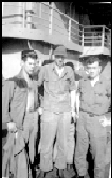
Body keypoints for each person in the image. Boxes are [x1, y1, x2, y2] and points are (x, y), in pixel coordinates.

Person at [38, 45, 76, 178]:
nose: (60, 59)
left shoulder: (69, 70)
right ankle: (44, 167)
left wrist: (72, 111)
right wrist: (41, 104)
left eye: (62, 56)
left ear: (65, 57)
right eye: (58, 56)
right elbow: (37, 86)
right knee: (46, 142)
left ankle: (60, 167)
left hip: (65, 112)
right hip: (49, 112)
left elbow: (72, 90)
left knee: (63, 142)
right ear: (54, 56)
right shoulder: (45, 69)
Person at [2, 50, 39, 178]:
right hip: (18, 123)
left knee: (31, 152)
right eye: (29, 63)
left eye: (34, 64)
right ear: (21, 63)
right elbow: (4, 105)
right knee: (17, 155)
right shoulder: (12, 81)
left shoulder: (34, 82)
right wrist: (8, 123)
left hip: (33, 121)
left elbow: (35, 100)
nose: (32, 66)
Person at [74, 56, 111, 178]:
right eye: (89, 68)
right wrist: (77, 113)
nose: (91, 71)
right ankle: (81, 173)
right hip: (83, 119)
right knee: (80, 149)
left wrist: (109, 120)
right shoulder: (83, 81)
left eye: (94, 68)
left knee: (98, 153)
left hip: (98, 120)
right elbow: (77, 96)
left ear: (100, 69)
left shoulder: (107, 83)